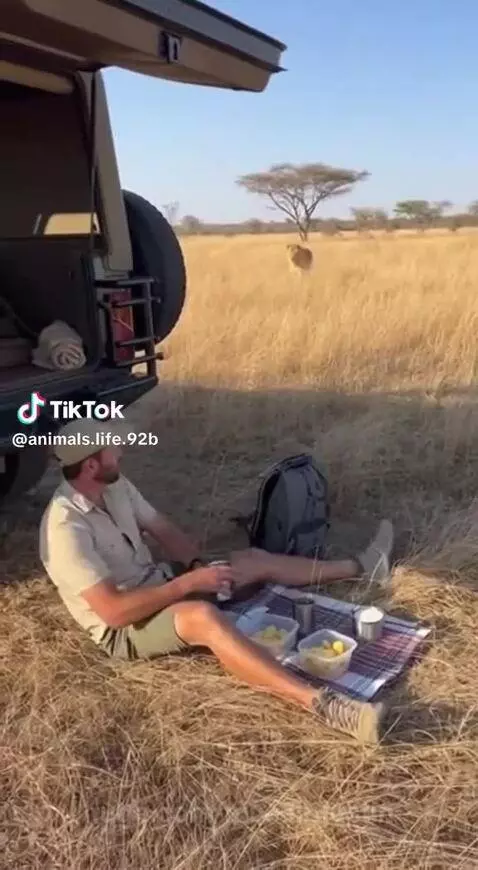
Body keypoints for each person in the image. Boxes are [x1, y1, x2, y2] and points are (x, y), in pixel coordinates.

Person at [39, 418, 394, 744]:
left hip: (160, 582)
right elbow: (114, 612)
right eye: (112, 448)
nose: (121, 451)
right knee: (202, 617)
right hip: (125, 626)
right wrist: (188, 584)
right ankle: (326, 706)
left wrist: (198, 566)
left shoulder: (116, 486)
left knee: (250, 561)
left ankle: (363, 566)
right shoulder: (65, 528)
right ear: (91, 466)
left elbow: (163, 529)